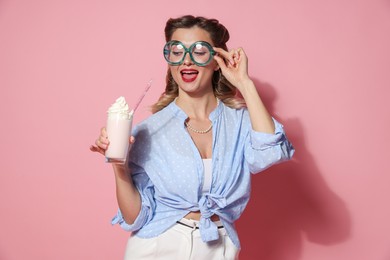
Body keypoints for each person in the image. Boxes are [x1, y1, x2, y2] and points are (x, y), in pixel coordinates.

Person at [90, 15, 294, 260]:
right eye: (176, 51)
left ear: (217, 60)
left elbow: (268, 155)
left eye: (198, 50)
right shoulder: (150, 130)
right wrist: (119, 166)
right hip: (159, 245)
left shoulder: (240, 121)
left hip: (218, 245)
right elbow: (135, 218)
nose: (186, 59)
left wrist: (244, 82)